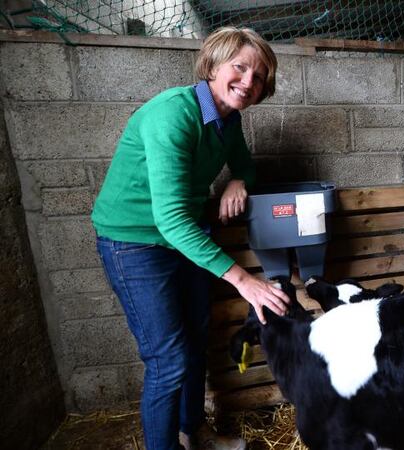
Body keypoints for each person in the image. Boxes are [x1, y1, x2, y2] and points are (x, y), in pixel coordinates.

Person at [92, 27, 289, 450]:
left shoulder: (228, 120)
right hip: (134, 242)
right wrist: (244, 279)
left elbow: (246, 167)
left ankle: (195, 432)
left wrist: (238, 179)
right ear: (214, 65)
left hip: (185, 239)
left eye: (259, 76)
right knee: (168, 360)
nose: (249, 81)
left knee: (196, 341)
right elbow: (170, 219)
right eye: (240, 67)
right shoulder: (174, 115)